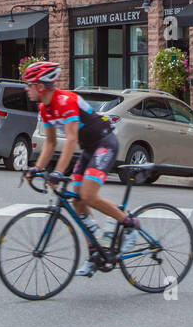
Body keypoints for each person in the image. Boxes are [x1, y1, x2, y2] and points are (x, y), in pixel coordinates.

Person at [22, 60, 139, 277]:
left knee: (87, 195)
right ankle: (95, 253)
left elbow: (71, 138)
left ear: (40, 85)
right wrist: (36, 168)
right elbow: (50, 143)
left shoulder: (65, 101)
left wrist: (58, 172)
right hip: (89, 149)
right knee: (77, 202)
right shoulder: (44, 108)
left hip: (105, 143)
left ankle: (130, 224)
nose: (26, 89)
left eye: (29, 84)